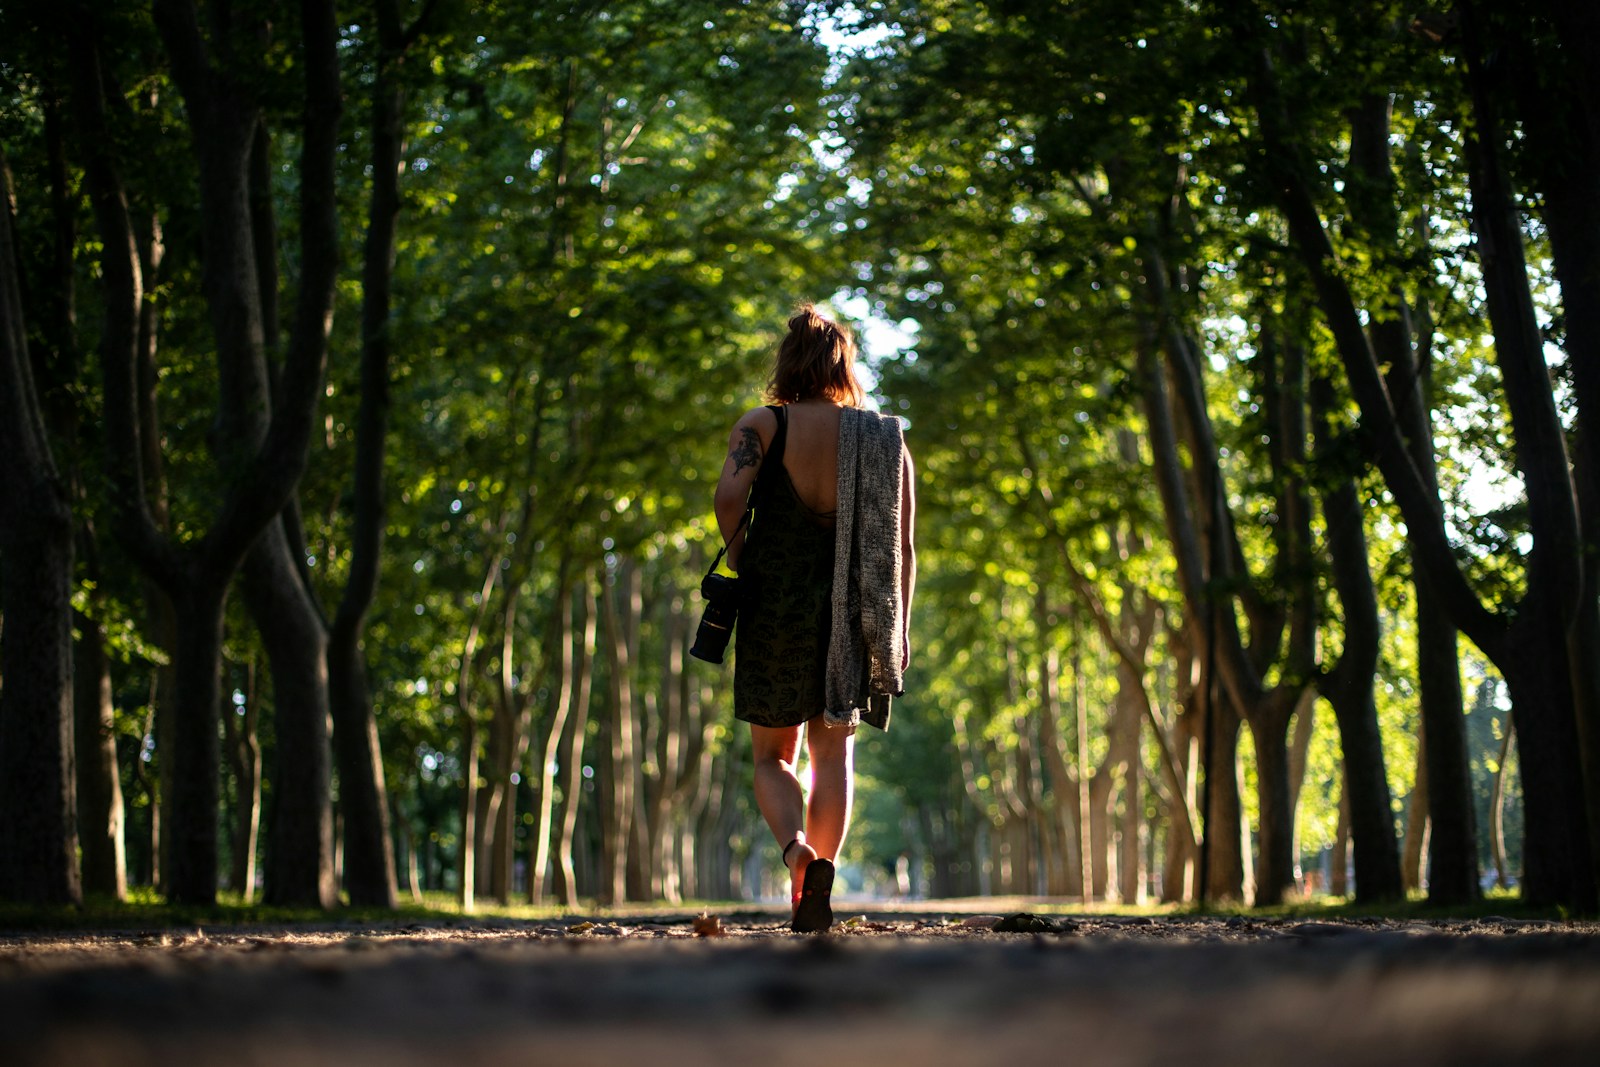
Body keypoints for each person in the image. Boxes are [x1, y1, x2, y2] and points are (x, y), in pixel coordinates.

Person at [712, 303, 916, 933]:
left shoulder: (763, 425)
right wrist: (896, 629)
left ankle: (797, 858)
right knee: (834, 759)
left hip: (775, 606)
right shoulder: (884, 437)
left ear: (787, 359)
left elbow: (727, 498)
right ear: (844, 362)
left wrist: (748, 561)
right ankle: (821, 872)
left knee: (773, 758)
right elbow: (903, 545)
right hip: (853, 610)